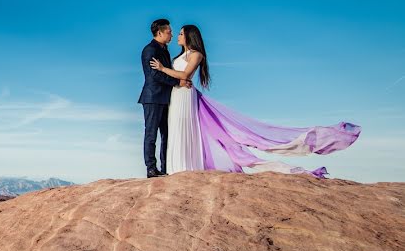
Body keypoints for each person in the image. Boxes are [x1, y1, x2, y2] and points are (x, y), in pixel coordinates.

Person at [150, 24, 360, 177]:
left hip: (185, 97)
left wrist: (162, 69)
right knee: (175, 129)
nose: (177, 35)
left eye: (180, 33)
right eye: (175, 33)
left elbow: (185, 75)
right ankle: (174, 168)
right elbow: (178, 77)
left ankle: (186, 168)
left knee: (184, 128)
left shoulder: (196, 54)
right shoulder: (177, 55)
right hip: (176, 95)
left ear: (190, 36)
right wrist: (171, 77)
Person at [137, 19, 191, 178]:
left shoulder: (164, 50)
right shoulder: (149, 50)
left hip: (166, 98)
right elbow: (155, 74)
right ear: (159, 33)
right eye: (169, 32)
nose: (172, 34)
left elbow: (166, 71)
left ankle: (165, 167)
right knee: (151, 134)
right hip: (152, 97)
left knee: (167, 134)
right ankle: (151, 169)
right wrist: (177, 82)